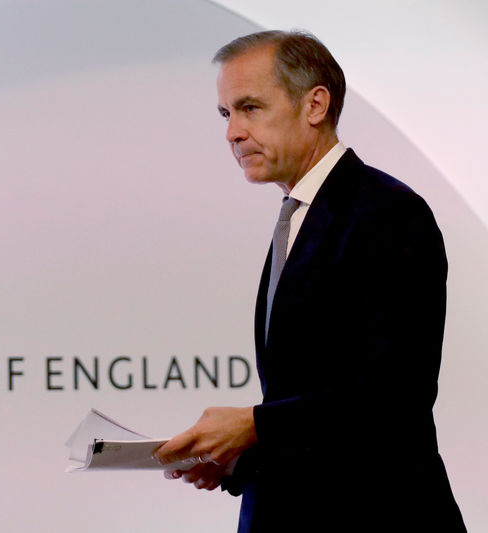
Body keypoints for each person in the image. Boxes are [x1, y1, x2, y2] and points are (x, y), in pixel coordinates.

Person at [153, 30, 466, 532]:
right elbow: (315, 400)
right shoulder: (301, 213)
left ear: (315, 104)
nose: (232, 132)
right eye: (225, 114)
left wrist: (254, 426)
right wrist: (240, 456)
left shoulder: (386, 212)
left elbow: (393, 397)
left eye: (249, 108)